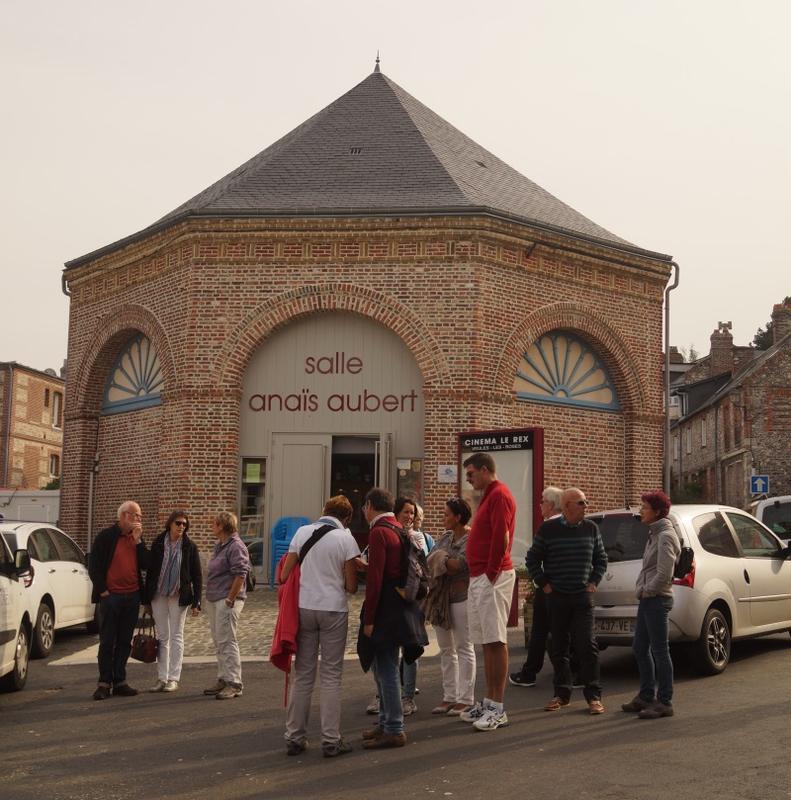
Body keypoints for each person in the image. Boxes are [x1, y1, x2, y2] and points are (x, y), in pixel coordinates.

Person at [280, 496, 360, 758]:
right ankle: (330, 739)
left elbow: (283, 574)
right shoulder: (346, 539)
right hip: (333, 608)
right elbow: (351, 586)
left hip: (304, 606)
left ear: (324, 510)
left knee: (303, 674)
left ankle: (294, 736)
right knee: (331, 675)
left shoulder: (302, 533)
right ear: (346, 518)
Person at [526, 487, 607, 715]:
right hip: (557, 596)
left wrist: (594, 581)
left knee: (587, 645)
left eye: (585, 502)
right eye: (581, 502)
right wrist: (544, 584)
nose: (586, 506)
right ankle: (562, 694)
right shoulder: (548, 529)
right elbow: (532, 558)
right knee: (558, 646)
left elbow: (601, 558)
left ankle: (594, 696)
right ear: (567, 505)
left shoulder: (591, 528)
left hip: (582, 596)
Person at [358, 488, 427, 749]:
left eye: (365, 507)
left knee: (386, 669)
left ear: (369, 505)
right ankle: (385, 722)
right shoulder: (399, 529)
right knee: (385, 665)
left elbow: (376, 580)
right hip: (402, 608)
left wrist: (369, 619)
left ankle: (394, 727)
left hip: (385, 610)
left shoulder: (379, 532)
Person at [460, 452, 516, 731]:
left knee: (495, 640)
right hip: (481, 576)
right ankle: (489, 701)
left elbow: (501, 536)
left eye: (471, 473)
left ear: (484, 469)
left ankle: (497, 708)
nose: (468, 479)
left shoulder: (499, 494)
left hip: (491, 576)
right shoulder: (489, 495)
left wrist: (491, 572)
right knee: (486, 641)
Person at [622, 490, 680, 720]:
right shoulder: (654, 533)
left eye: (645, 507)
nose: (641, 511)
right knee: (639, 647)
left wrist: (648, 590)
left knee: (660, 651)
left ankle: (664, 701)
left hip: (657, 599)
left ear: (657, 512)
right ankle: (646, 695)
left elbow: (665, 573)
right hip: (648, 599)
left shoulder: (665, 536)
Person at [88, 500, 150, 700]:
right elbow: (94, 566)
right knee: (107, 641)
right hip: (111, 597)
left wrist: (139, 542)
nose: (139, 519)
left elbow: (146, 564)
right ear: (124, 515)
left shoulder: (137, 538)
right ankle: (104, 682)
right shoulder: (106, 537)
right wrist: (103, 591)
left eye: (140, 516)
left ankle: (120, 681)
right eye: (136, 515)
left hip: (132, 596)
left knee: (124, 641)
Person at [425, 496, 476, 715]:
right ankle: (449, 696)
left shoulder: (471, 539)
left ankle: (466, 698)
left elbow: (461, 565)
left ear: (458, 517)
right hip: (442, 600)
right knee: (446, 649)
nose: (443, 518)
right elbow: (431, 558)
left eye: (446, 514)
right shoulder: (445, 537)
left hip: (462, 598)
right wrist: (443, 559)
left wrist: (441, 559)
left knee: (464, 647)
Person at [143, 510, 202, 693]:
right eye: (178, 523)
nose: (181, 526)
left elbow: (197, 575)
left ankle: (173, 678)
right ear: (170, 524)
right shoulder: (159, 543)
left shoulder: (189, 546)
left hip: (179, 595)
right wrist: (146, 599)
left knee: (177, 635)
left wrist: (197, 601)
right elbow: (150, 571)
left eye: (184, 524)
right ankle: (162, 677)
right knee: (163, 636)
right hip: (159, 594)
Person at [510, 486, 563, 687]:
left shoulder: (548, 526)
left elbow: (533, 558)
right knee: (558, 632)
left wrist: (541, 582)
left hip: (548, 586)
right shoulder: (569, 525)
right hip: (560, 586)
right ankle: (567, 672)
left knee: (541, 631)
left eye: (542, 502)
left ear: (550, 505)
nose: (540, 505)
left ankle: (530, 673)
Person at [204, 511, 250, 700]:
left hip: (227, 599)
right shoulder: (220, 545)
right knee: (219, 640)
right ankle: (223, 678)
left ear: (221, 526)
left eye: (214, 524)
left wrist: (230, 598)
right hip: (215, 598)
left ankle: (234, 683)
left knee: (227, 640)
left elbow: (241, 574)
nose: (212, 526)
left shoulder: (236, 546)